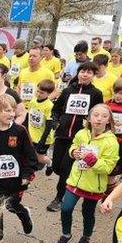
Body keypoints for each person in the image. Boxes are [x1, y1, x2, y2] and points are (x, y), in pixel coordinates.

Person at [38, 61, 104, 212]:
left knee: (65, 168)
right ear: (78, 73)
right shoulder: (68, 90)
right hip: (62, 134)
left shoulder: (96, 94)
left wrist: (90, 128)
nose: (85, 74)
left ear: (93, 75)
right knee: (57, 167)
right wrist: (56, 123)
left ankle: (59, 198)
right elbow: (56, 109)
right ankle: (69, 184)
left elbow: (98, 114)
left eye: (89, 72)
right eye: (82, 71)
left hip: (78, 138)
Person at [54, 104, 119, 243]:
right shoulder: (82, 134)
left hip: (93, 185)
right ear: (89, 118)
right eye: (96, 115)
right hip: (75, 180)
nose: (99, 119)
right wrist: (73, 152)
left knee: (87, 212)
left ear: (108, 121)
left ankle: (86, 236)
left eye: (103, 116)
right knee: (66, 208)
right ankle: (66, 234)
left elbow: (108, 168)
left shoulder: (111, 142)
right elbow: (73, 146)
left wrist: (91, 159)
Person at [0, 96, 38, 238]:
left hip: (14, 179)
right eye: (7, 110)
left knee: (11, 205)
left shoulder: (20, 131)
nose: (11, 114)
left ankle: (23, 214)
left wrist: (26, 175)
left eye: (13, 111)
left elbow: (30, 156)